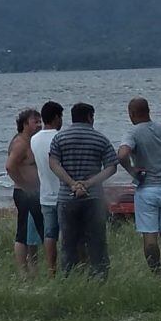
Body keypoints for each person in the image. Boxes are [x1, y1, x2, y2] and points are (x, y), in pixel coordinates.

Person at [49, 102, 118, 279]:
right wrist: (88, 184)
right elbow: (111, 167)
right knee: (97, 242)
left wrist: (72, 184)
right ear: (89, 117)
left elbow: (53, 163)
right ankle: (99, 277)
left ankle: (69, 277)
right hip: (93, 198)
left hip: (67, 197)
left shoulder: (60, 138)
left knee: (68, 242)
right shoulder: (100, 139)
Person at [117, 97, 161, 275]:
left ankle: (156, 272)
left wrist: (132, 171)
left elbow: (122, 155)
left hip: (147, 189)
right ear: (148, 110)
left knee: (150, 236)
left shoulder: (133, 132)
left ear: (132, 113)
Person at [6, 108, 44, 277]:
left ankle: (34, 268)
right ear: (24, 124)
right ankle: (23, 272)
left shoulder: (31, 141)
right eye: (35, 122)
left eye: (40, 121)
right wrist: (23, 184)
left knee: (33, 232)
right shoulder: (21, 143)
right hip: (24, 193)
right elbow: (10, 166)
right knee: (23, 233)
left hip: (34, 192)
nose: (39, 125)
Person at [30, 101, 64, 277]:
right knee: (68, 233)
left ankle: (52, 270)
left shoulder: (34, 139)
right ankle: (70, 267)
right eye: (61, 117)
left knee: (49, 234)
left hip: (45, 193)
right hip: (63, 193)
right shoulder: (60, 137)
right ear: (57, 117)